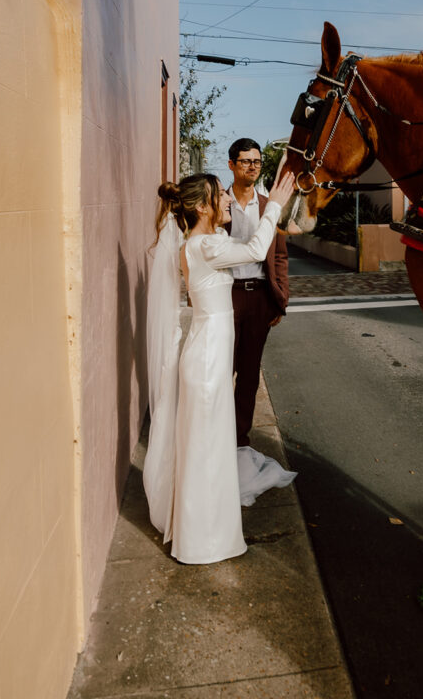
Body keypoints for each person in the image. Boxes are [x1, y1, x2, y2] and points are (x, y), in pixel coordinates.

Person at [143, 168, 296, 565]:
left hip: (205, 353)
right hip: (207, 361)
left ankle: (204, 533)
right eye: (220, 196)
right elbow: (256, 250)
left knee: (208, 447)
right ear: (200, 206)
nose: (228, 200)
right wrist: (274, 204)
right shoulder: (205, 246)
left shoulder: (205, 243)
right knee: (206, 450)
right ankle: (199, 541)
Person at [227, 139, 290, 447]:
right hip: (226, 297)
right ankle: (217, 435)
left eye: (256, 162)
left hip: (260, 296)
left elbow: (279, 255)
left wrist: (280, 299)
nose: (252, 166)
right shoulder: (218, 204)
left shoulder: (267, 206)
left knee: (250, 375)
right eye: (245, 161)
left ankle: (239, 438)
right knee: (222, 370)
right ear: (231, 165)